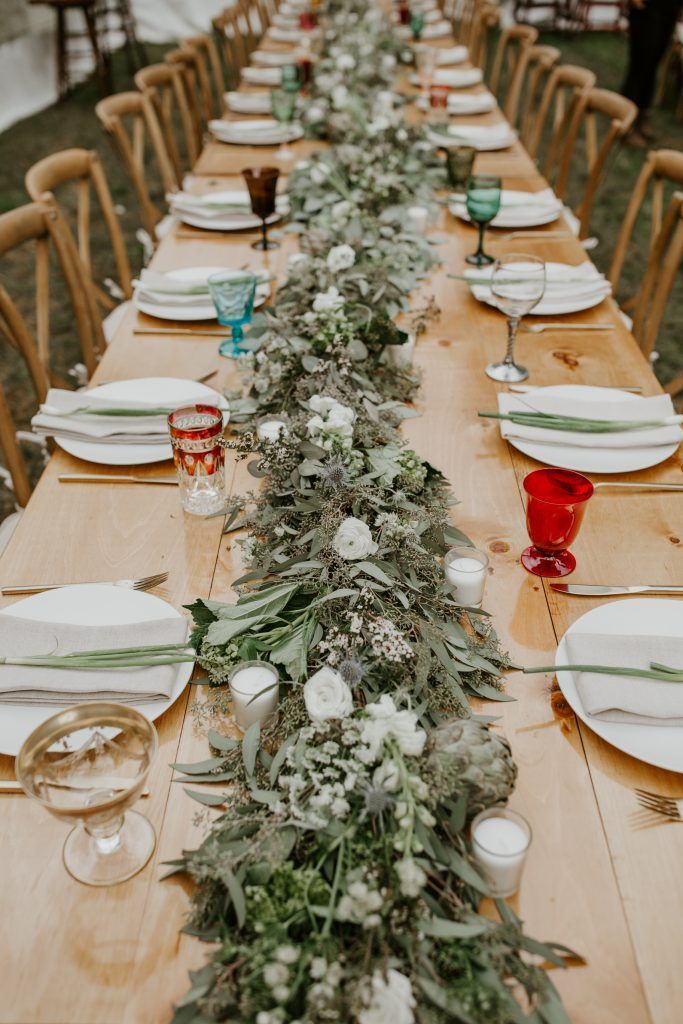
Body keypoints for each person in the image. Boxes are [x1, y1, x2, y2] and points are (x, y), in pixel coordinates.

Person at [621, 0, 683, 146]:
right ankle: (626, 121)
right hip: (647, 8)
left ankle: (642, 116)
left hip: (669, 8)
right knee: (640, 65)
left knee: (652, 66)